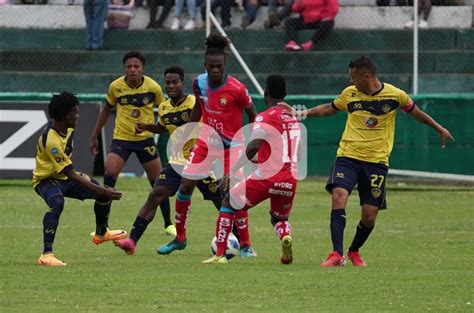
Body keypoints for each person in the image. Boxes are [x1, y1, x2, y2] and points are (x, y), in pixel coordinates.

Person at [298, 56, 454, 267]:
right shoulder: (349, 94)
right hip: (348, 156)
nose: (351, 81)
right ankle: (336, 253)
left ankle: (354, 251)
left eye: (353, 77)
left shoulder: (395, 95)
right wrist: (303, 113)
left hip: (376, 163)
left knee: (369, 216)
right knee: (338, 195)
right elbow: (329, 108)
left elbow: (417, 113)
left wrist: (439, 128)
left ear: (367, 76)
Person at [157, 33, 259, 257]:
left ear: (225, 65)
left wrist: (254, 146)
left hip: (231, 147)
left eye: (219, 66)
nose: (215, 70)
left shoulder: (237, 88)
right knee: (185, 187)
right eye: (211, 66)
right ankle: (180, 238)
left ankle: (246, 245)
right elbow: (199, 109)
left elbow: (254, 115)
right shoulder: (198, 83)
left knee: (234, 195)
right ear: (205, 65)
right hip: (205, 143)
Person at [114, 65, 224, 254]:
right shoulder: (164, 106)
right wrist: (147, 127)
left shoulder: (193, 102)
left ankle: (241, 241)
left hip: (201, 161)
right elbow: (163, 127)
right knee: (155, 195)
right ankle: (132, 241)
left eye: (175, 82)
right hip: (178, 162)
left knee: (220, 201)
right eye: (168, 83)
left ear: (183, 83)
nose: (171, 86)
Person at [203, 75, 301, 264]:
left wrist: (232, 171)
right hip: (290, 179)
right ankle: (285, 237)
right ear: (285, 94)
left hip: (268, 177)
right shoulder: (293, 119)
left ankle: (220, 255)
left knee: (228, 202)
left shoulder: (265, 116)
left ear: (265, 92)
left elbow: (253, 146)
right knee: (278, 219)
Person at [89, 51, 176, 240]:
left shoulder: (153, 87)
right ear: (124, 69)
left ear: (143, 68)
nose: (133, 70)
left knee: (159, 183)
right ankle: (102, 227)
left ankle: (169, 224)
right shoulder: (116, 87)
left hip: (145, 140)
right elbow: (106, 111)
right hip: (121, 139)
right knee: (109, 176)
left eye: (136, 66)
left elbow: (165, 112)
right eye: (129, 67)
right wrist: (94, 136)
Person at [34, 92, 125, 267]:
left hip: (64, 176)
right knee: (58, 202)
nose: (78, 115)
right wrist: (102, 190)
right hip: (46, 180)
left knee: (102, 195)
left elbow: (70, 174)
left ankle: (101, 233)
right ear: (65, 114)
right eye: (75, 112)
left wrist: (102, 191)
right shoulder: (51, 140)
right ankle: (46, 254)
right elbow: (71, 175)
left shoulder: (67, 128)